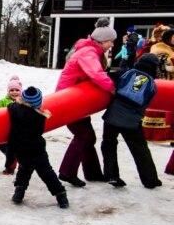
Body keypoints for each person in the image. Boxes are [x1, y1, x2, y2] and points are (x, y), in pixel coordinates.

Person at [55, 17, 116, 187]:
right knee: (83, 135)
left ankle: (93, 173)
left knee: (89, 137)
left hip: (78, 101)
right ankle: (67, 172)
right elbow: (97, 74)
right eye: (110, 41)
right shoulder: (88, 53)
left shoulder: (91, 51)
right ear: (102, 40)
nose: (112, 44)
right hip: (69, 100)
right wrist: (112, 88)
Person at [101, 54, 162, 189]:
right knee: (140, 149)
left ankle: (111, 175)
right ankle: (150, 179)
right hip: (132, 120)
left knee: (109, 144)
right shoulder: (151, 83)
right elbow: (145, 103)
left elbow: (113, 81)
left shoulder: (128, 73)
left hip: (112, 115)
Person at [8, 87, 69, 208]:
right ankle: (60, 194)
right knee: (47, 173)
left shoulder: (14, 109)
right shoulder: (39, 117)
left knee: (24, 169)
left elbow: (10, 106)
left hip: (20, 149)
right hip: (36, 151)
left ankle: (19, 192)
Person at [0, 75, 22, 174]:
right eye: (12, 90)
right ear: (8, 91)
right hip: (6, 130)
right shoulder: (4, 101)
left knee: (13, 149)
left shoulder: (23, 102)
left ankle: (10, 168)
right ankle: (13, 159)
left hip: (18, 131)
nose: (14, 92)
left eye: (17, 90)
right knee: (2, 146)